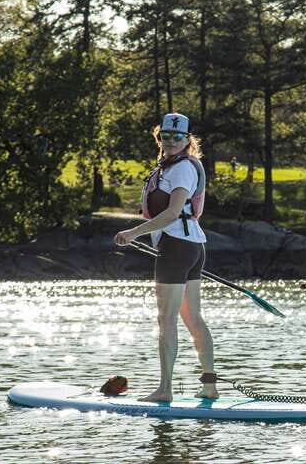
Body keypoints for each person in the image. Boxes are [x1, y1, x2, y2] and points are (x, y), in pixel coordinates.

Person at [114, 112, 218, 403]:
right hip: (192, 246)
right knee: (191, 317)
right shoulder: (168, 167)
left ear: (187, 140)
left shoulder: (182, 169)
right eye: (166, 137)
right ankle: (209, 386)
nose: (171, 142)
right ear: (159, 137)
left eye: (177, 137)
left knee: (167, 319)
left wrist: (134, 233)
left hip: (177, 247)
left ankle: (165, 390)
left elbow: (172, 213)